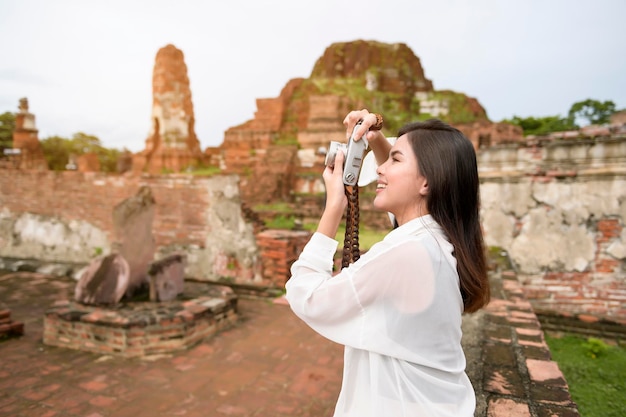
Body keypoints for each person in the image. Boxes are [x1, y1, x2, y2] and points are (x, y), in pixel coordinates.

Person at [285, 109, 490, 417]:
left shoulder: (405, 254)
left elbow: (308, 298)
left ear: (427, 183)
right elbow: (403, 200)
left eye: (395, 160)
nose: (379, 170)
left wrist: (333, 208)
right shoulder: (437, 238)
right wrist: (374, 139)